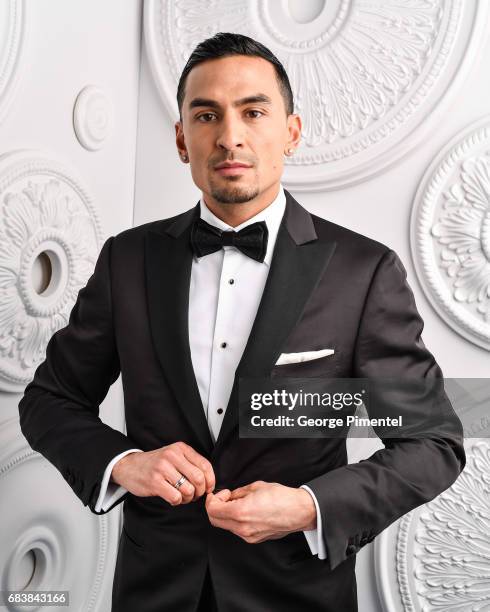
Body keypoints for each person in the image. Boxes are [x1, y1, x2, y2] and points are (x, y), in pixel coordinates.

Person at [18, 32, 466, 612]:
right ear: (182, 139)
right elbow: (49, 402)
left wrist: (308, 506)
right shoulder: (127, 261)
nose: (230, 136)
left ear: (291, 132)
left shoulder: (364, 272)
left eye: (254, 111)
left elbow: (430, 442)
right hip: (153, 591)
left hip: (295, 594)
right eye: (206, 115)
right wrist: (127, 463)